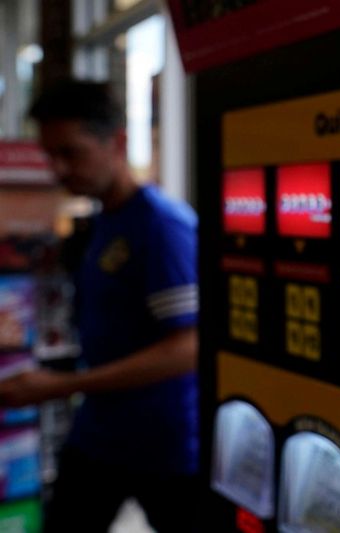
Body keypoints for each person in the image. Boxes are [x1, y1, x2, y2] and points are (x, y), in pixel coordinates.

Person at [0, 80, 199, 532]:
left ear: (119, 143)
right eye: (50, 155)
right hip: (101, 435)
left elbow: (189, 347)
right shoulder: (104, 222)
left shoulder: (162, 227)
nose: (58, 169)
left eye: (71, 153)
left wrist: (63, 384)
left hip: (164, 446)